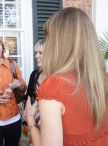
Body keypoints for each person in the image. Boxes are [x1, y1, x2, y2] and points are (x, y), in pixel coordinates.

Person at [25, 7, 108, 146]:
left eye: (48, 38)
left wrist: (30, 119)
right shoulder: (103, 78)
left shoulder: (54, 87)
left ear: (59, 43)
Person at [23, 40, 45, 145]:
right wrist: (26, 111)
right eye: (36, 53)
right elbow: (29, 96)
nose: (36, 56)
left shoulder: (54, 77)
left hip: (47, 121)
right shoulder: (35, 74)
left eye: (40, 53)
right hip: (33, 119)